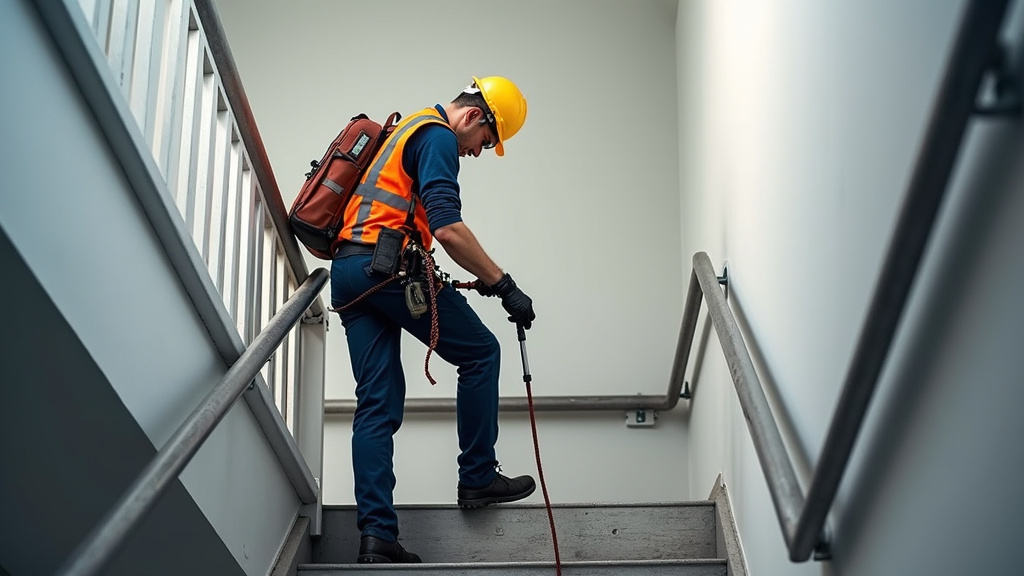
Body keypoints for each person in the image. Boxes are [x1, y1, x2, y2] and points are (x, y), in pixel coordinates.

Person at [329, 76, 537, 564]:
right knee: (482, 352)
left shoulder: (404, 131)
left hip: (349, 273)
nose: (480, 152)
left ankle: (377, 537)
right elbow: (447, 226)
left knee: (376, 405)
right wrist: (504, 285)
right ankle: (478, 477)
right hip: (389, 268)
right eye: (486, 141)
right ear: (472, 116)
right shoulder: (438, 135)